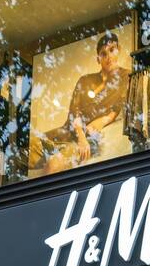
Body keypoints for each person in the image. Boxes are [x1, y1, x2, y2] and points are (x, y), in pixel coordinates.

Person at [37, 32, 127, 174]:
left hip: (90, 138)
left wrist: (105, 120)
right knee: (28, 144)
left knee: (52, 166)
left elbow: (117, 108)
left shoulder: (126, 77)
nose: (108, 56)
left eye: (112, 50)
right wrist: (81, 136)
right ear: (98, 59)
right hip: (69, 132)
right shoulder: (85, 80)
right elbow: (74, 111)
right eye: (103, 54)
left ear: (118, 49)